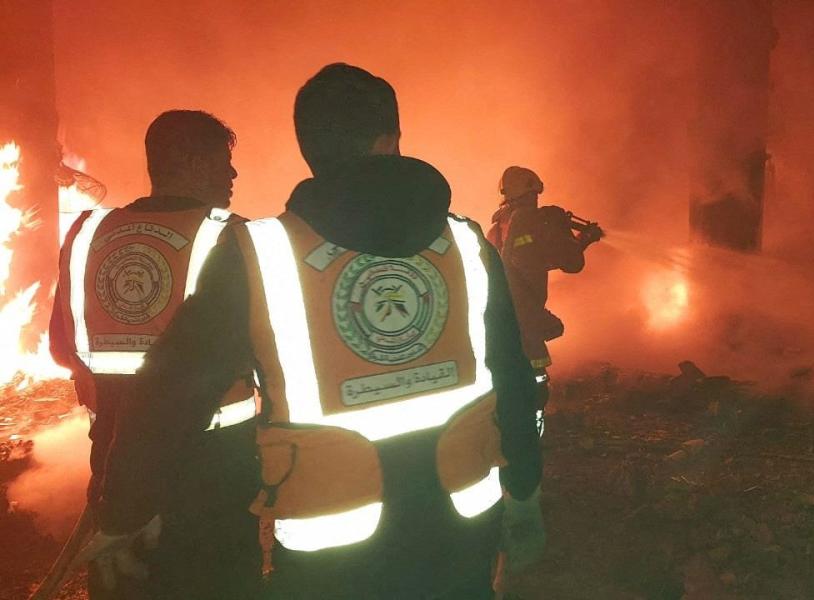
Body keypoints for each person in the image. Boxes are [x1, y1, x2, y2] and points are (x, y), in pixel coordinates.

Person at [84, 64, 544, 600]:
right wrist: (525, 490)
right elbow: (510, 372)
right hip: (461, 525)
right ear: (390, 139)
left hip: (333, 552)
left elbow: (170, 394)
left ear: (309, 148)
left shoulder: (258, 254)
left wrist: (124, 513)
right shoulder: (466, 242)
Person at [51, 110, 260, 599]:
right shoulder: (236, 238)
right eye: (222, 161)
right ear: (190, 161)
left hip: (114, 462)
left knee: (127, 582)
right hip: (211, 473)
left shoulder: (87, 234)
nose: (232, 175)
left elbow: (63, 349)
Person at [487, 167, 602, 430]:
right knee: (536, 378)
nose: (537, 199)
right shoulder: (532, 221)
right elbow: (571, 262)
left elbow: (524, 259)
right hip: (525, 315)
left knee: (506, 373)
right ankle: (529, 433)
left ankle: (506, 427)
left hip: (501, 313)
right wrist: (583, 239)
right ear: (531, 191)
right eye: (535, 193)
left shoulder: (498, 225)